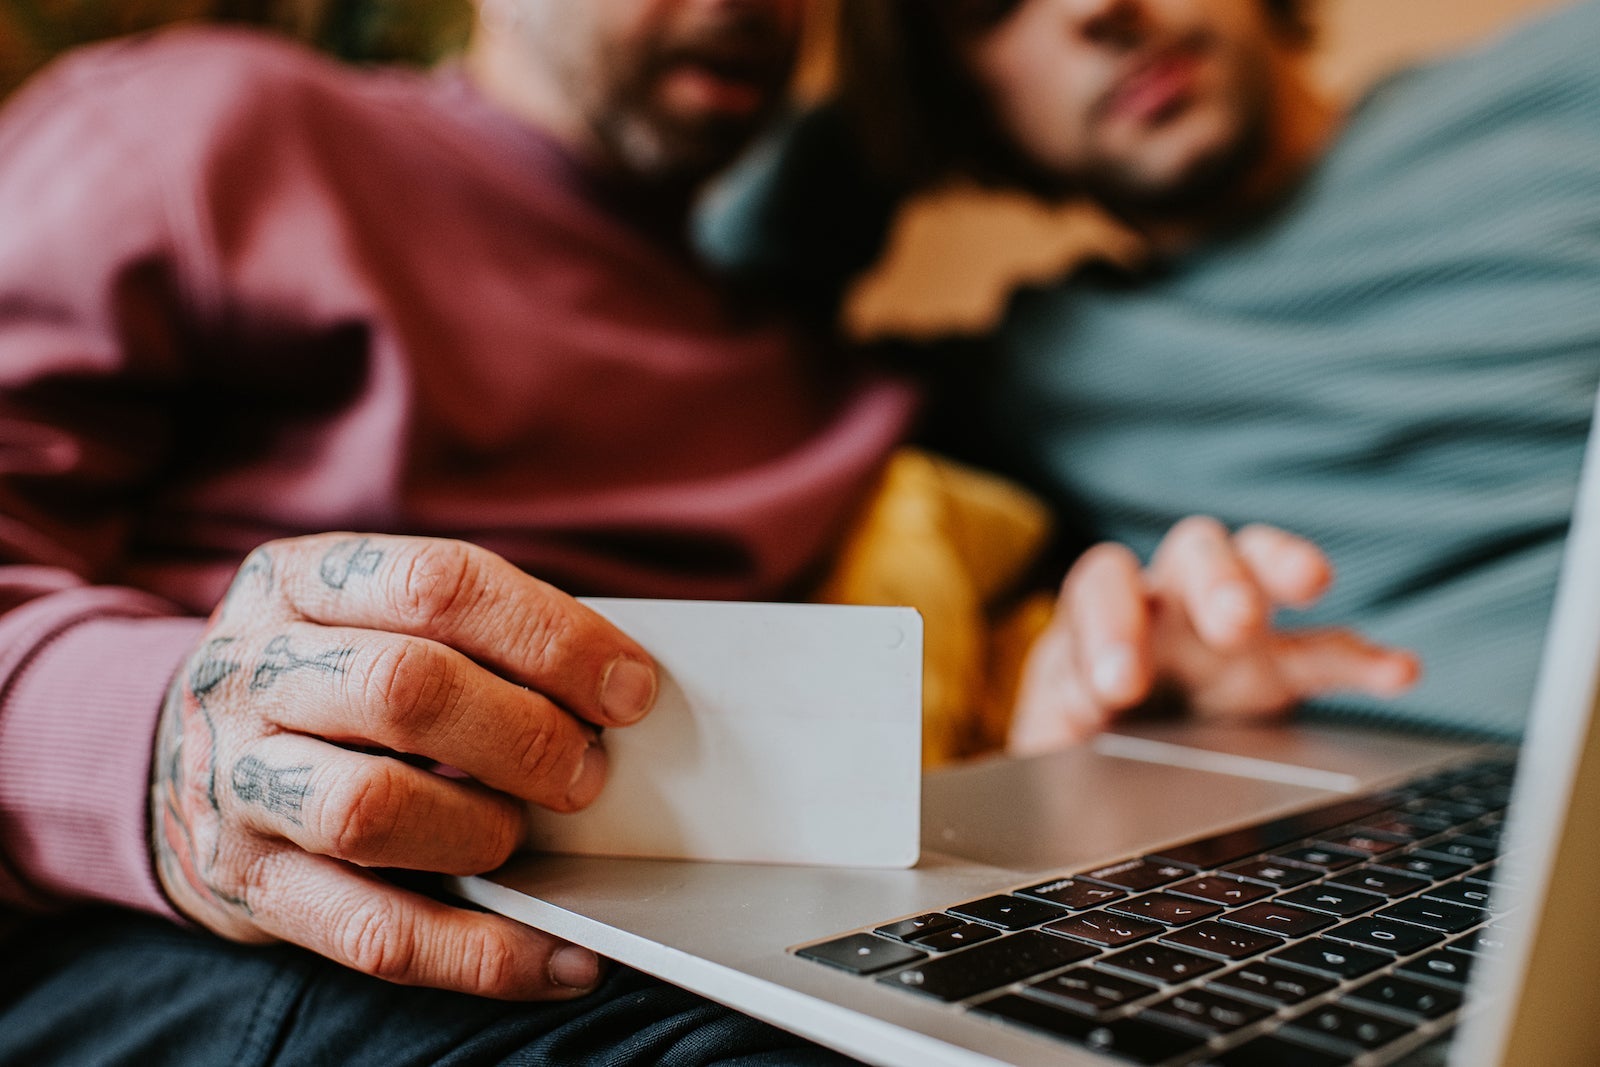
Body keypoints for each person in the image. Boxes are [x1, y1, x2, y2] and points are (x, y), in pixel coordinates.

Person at [0, 0, 1418, 1060]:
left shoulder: (820, 365)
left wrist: (1124, 673)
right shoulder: (210, 129)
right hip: (226, 923)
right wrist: (156, 760)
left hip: (700, 932)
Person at [701, 0, 1600, 752]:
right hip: (1417, 862)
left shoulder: (1564, 82)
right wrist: (895, 111)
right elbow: (723, 296)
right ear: (962, 95)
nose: (1096, 8)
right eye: (993, 5)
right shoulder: (1039, 372)